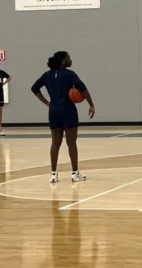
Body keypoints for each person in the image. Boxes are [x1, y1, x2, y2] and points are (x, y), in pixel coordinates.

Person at [31, 51, 95, 185]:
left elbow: (34, 88)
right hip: (68, 110)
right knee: (71, 143)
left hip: (53, 111)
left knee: (55, 143)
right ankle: (75, 174)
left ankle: (53, 175)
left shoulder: (47, 75)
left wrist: (47, 102)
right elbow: (83, 89)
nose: (71, 60)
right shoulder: (69, 74)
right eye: (69, 58)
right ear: (63, 61)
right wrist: (91, 104)